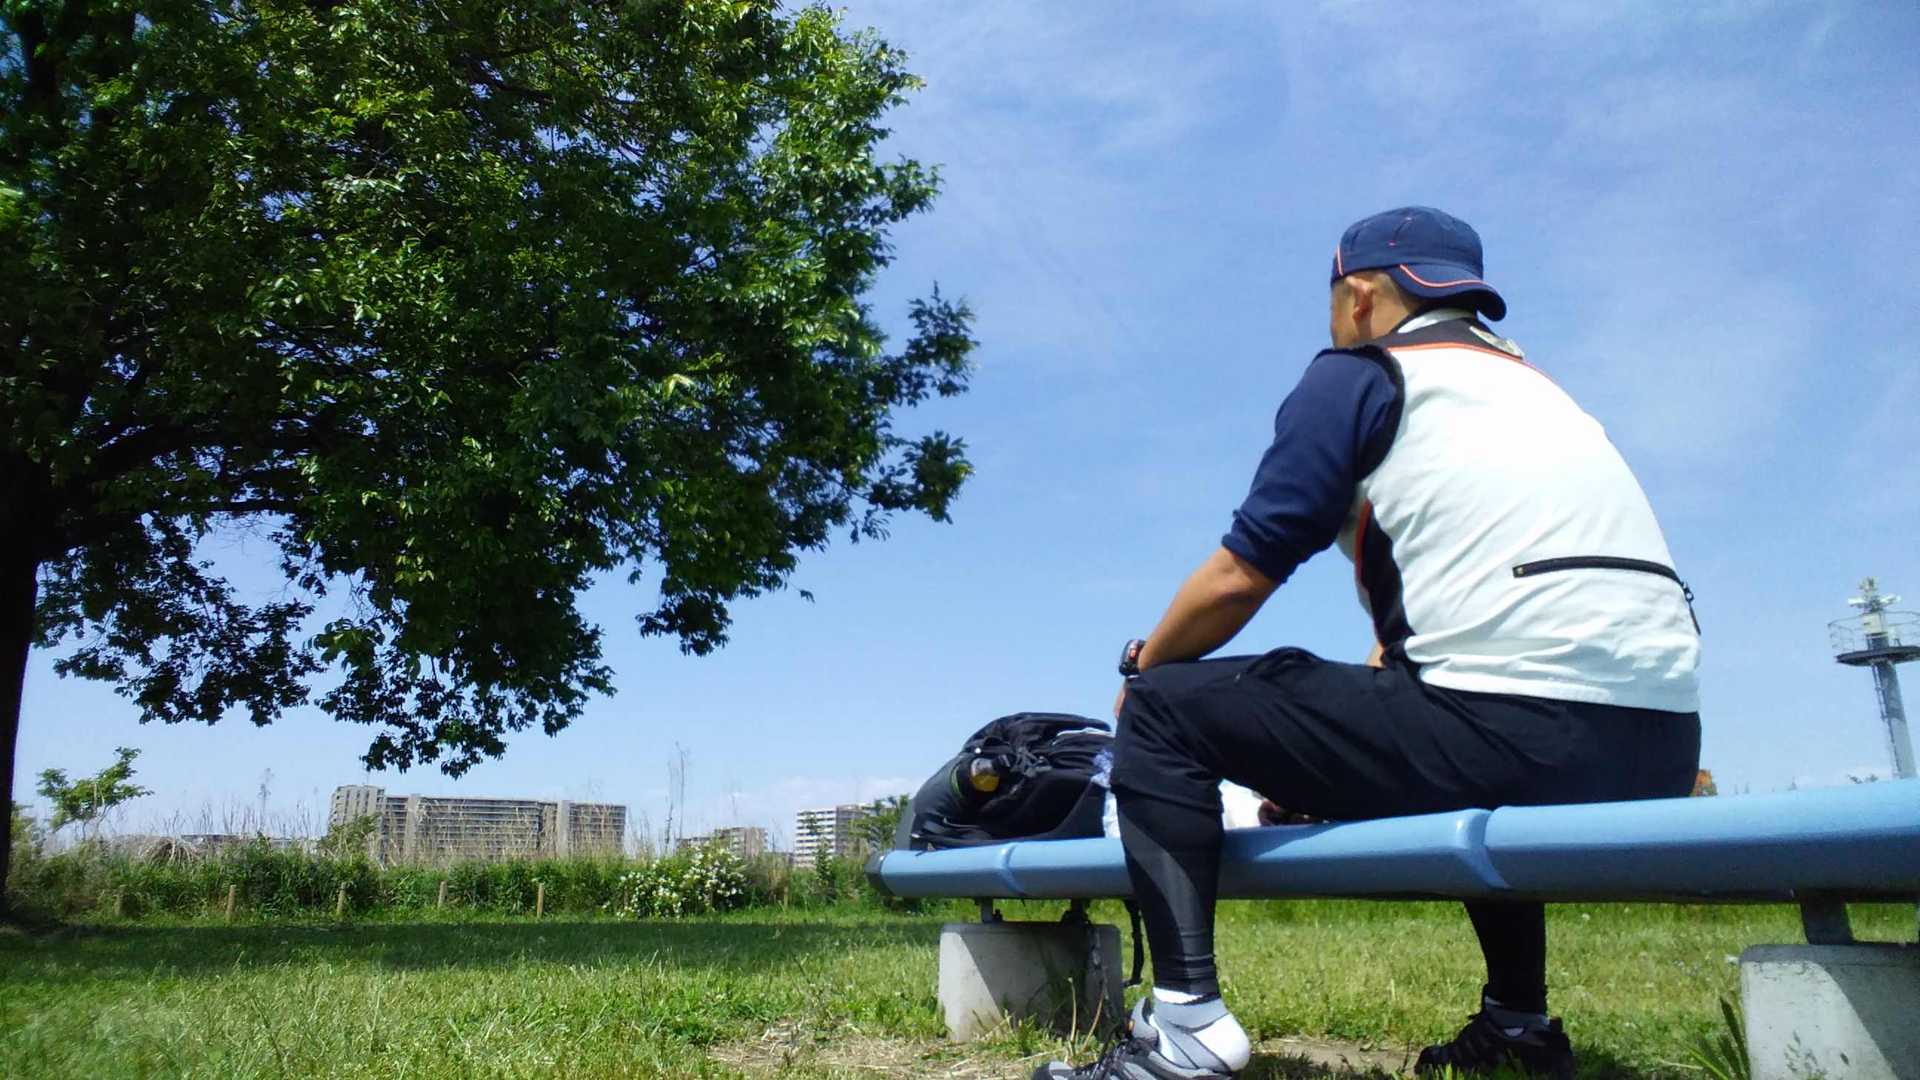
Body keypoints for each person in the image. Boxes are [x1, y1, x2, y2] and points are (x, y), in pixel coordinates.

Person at [1036, 207, 1702, 1080]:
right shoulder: (1546, 393)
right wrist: (1323, 766)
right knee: (1481, 730)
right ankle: (1518, 1023)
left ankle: (1187, 1027)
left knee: (1164, 707)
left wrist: (1145, 664)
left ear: (1357, 296)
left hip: (1509, 736)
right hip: (1661, 755)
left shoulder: (1362, 375)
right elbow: (1464, 643)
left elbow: (1241, 574)